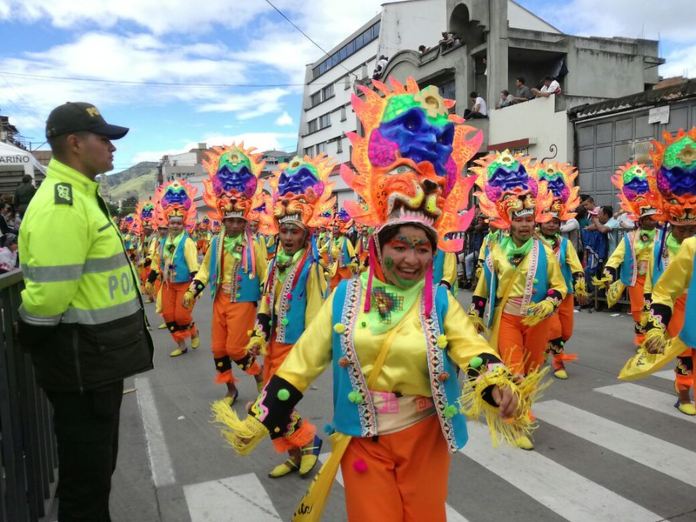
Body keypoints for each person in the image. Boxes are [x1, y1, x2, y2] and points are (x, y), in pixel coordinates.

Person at [212, 78, 531, 522]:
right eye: (400, 246)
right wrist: (263, 414)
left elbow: (471, 349)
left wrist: (497, 385)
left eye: (422, 248)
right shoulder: (347, 296)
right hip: (362, 442)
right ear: (379, 245)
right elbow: (301, 363)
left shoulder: (438, 302)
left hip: (425, 439)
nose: (412, 259)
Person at [17, 101, 153, 521]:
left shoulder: (81, 196)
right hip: (81, 367)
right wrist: (35, 339)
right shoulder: (63, 205)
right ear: (74, 143)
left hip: (94, 364)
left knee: (95, 476)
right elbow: (46, 303)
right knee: (85, 485)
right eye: (104, 139)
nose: (112, 148)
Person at [243, 154, 334, 479]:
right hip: (271, 343)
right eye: (284, 232)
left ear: (305, 236)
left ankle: (308, 441)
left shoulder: (310, 269)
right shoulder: (273, 264)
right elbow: (266, 303)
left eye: (294, 233)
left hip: (294, 347)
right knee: (274, 404)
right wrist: (257, 334)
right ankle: (295, 452)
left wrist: (311, 353)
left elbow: (317, 315)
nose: (288, 238)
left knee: (275, 403)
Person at [470, 150, 567, 450]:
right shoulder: (496, 251)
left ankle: (519, 408)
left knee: (533, 371)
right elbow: (484, 287)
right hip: (509, 319)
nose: (525, 225)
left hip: (538, 320)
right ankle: (518, 422)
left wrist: (550, 302)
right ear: (508, 222)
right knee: (515, 371)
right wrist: (475, 315)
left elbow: (559, 287)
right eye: (519, 220)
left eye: (529, 219)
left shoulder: (546, 253)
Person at [619, 129, 696, 414]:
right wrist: (656, 325)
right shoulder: (658, 247)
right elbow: (658, 288)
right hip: (677, 303)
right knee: (685, 351)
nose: (687, 232)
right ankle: (684, 393)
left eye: (692, 228)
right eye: (682, 228)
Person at [186, 144, 267, 404]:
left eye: (238, 221)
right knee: (218, 350)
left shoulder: (255, 245)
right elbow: (205, 269)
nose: (233, 225)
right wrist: (193, 289)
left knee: (235, 349)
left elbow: (265, 275)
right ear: (224, 221)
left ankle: (259, 374)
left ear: (245, 222)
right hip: (220, 300)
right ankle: (231, 390)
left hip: (243, 301)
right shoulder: (216, 242)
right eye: (229, 221)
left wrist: (268, 306)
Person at [593, 163, 660, 346]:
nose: (650, 221)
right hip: (636, 278)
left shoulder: (663, 237)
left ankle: (654, 337)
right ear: (640, 220)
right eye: (647, 218)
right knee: (639, 309)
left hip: (657, 278)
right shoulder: (630, 237)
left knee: (655, 308)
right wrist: (608, 270)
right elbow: (617, 255)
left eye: (653, 218)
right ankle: (641, 337)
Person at [533, 161, 589, 379]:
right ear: (540, 222)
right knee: (555, 329)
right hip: (545, 295)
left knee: (566, 331)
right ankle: (558, 363)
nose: (552, 225)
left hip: (565, 292)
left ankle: (549, 346)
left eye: (555, 222)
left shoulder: (564, 244)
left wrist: (580, 285)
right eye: (547, 221)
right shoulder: (534, 243)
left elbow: (575, 265)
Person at [147, 179, 201, 357]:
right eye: (172, 223)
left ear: (183, 224)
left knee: (182, 316)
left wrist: (195, 289)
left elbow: (194, 267)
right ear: (168, 224)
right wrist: (151, 279)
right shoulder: (162, 242)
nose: (175, 225)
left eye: (178, 223)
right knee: (168, 316)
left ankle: (193, 331)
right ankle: (181, 344)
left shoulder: (187, 243)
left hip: (184, 284)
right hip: (168, 284)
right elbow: (157, 262)